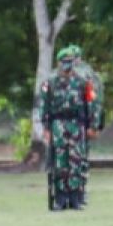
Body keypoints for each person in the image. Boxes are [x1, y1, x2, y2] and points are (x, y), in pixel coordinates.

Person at [37, 46, 99, 211]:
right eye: (64, 62)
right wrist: (46, 128)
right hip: (58, 124)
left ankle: (75, 197)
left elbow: (90, 104)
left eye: (70, 62)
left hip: (77, 124)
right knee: (60, 162)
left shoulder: (82, 81)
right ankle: (60, 197)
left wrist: (92, 125)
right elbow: (44, 106)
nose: (67, 65)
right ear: (59, 63)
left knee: (76, 161)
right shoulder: (50, 82)